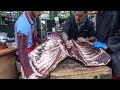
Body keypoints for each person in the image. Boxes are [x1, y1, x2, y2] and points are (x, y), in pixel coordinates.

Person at [14, 11, 43, 79]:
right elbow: (22, 50)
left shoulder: (32, 19)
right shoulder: (23, 24)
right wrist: (29, 73)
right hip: (25, 59)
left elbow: (33, 37)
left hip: (31, 54)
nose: (41, 13)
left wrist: (44, 42)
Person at [92, 11, 120, 79]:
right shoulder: (99, 13)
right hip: (102, 54)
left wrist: (107, 44)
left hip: (115, 54)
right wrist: (96, 40)